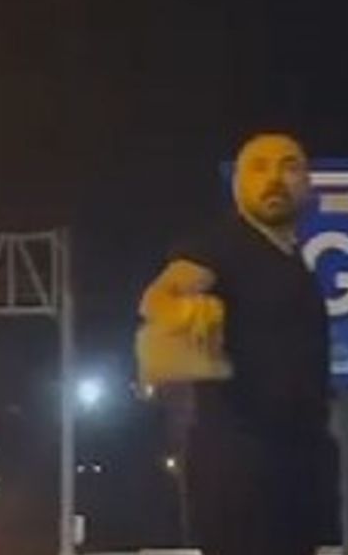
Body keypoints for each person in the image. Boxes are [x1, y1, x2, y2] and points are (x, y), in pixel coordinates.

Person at [139, 133, 334, 555]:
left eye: (289, 166)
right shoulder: (222, 246)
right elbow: (160, 297)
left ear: (307, 184)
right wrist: (188, 314)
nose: (274, 178)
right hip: (240, 470)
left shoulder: (293, 261)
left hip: (295, 470)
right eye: (259, 168)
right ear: (237, 185)